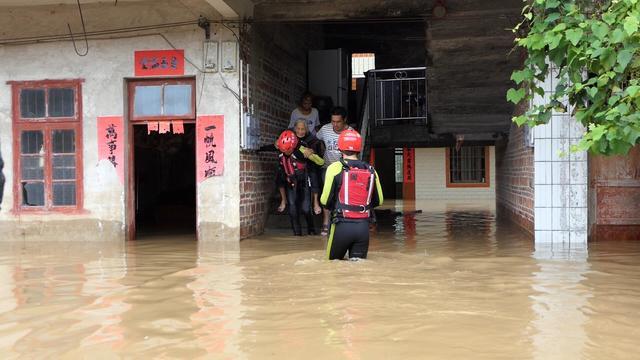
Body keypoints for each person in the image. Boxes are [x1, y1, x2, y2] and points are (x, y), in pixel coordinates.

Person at [320, 129, 383, 260]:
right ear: (358, 148)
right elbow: (379, 200)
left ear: (340, 148)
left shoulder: (334, 168)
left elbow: (325, 200)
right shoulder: (371, 170)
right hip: (363, 228)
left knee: (332, 266)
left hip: (341, 226)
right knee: (357, 270)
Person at [275, 129, 324, 236]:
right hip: (291, 182)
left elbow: (320, 162)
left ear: (293, 146)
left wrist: (312, 152)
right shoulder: (280, 153)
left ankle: (311, 231)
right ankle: (297, 235)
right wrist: (283, 199)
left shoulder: (301, 150)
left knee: (306, 209)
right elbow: (280, 179)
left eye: (288, 150)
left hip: (304, 182)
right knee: (292, 209)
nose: (285, 152)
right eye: (283, 150)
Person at [315, 106, 352, 236]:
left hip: (344, 169)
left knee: (342, 195)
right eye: (333, 121)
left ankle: (342, 222)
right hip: (327, 167)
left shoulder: (351, 133)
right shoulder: (325, 129)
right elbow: (314, 139)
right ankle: (326, 223)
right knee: (327, 194)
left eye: (338, 122)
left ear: (345, 120)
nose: (335, 124)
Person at [292, 119, 325, 215]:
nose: (300, 131)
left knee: (314, 174)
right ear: (295, 128)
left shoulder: (312, 138)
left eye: (303, 129)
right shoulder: (292, 137)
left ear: (306, 129)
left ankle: (315, 202)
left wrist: (312, 150)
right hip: (296, 165)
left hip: (309, 166)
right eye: (298, 128)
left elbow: (319, 149)